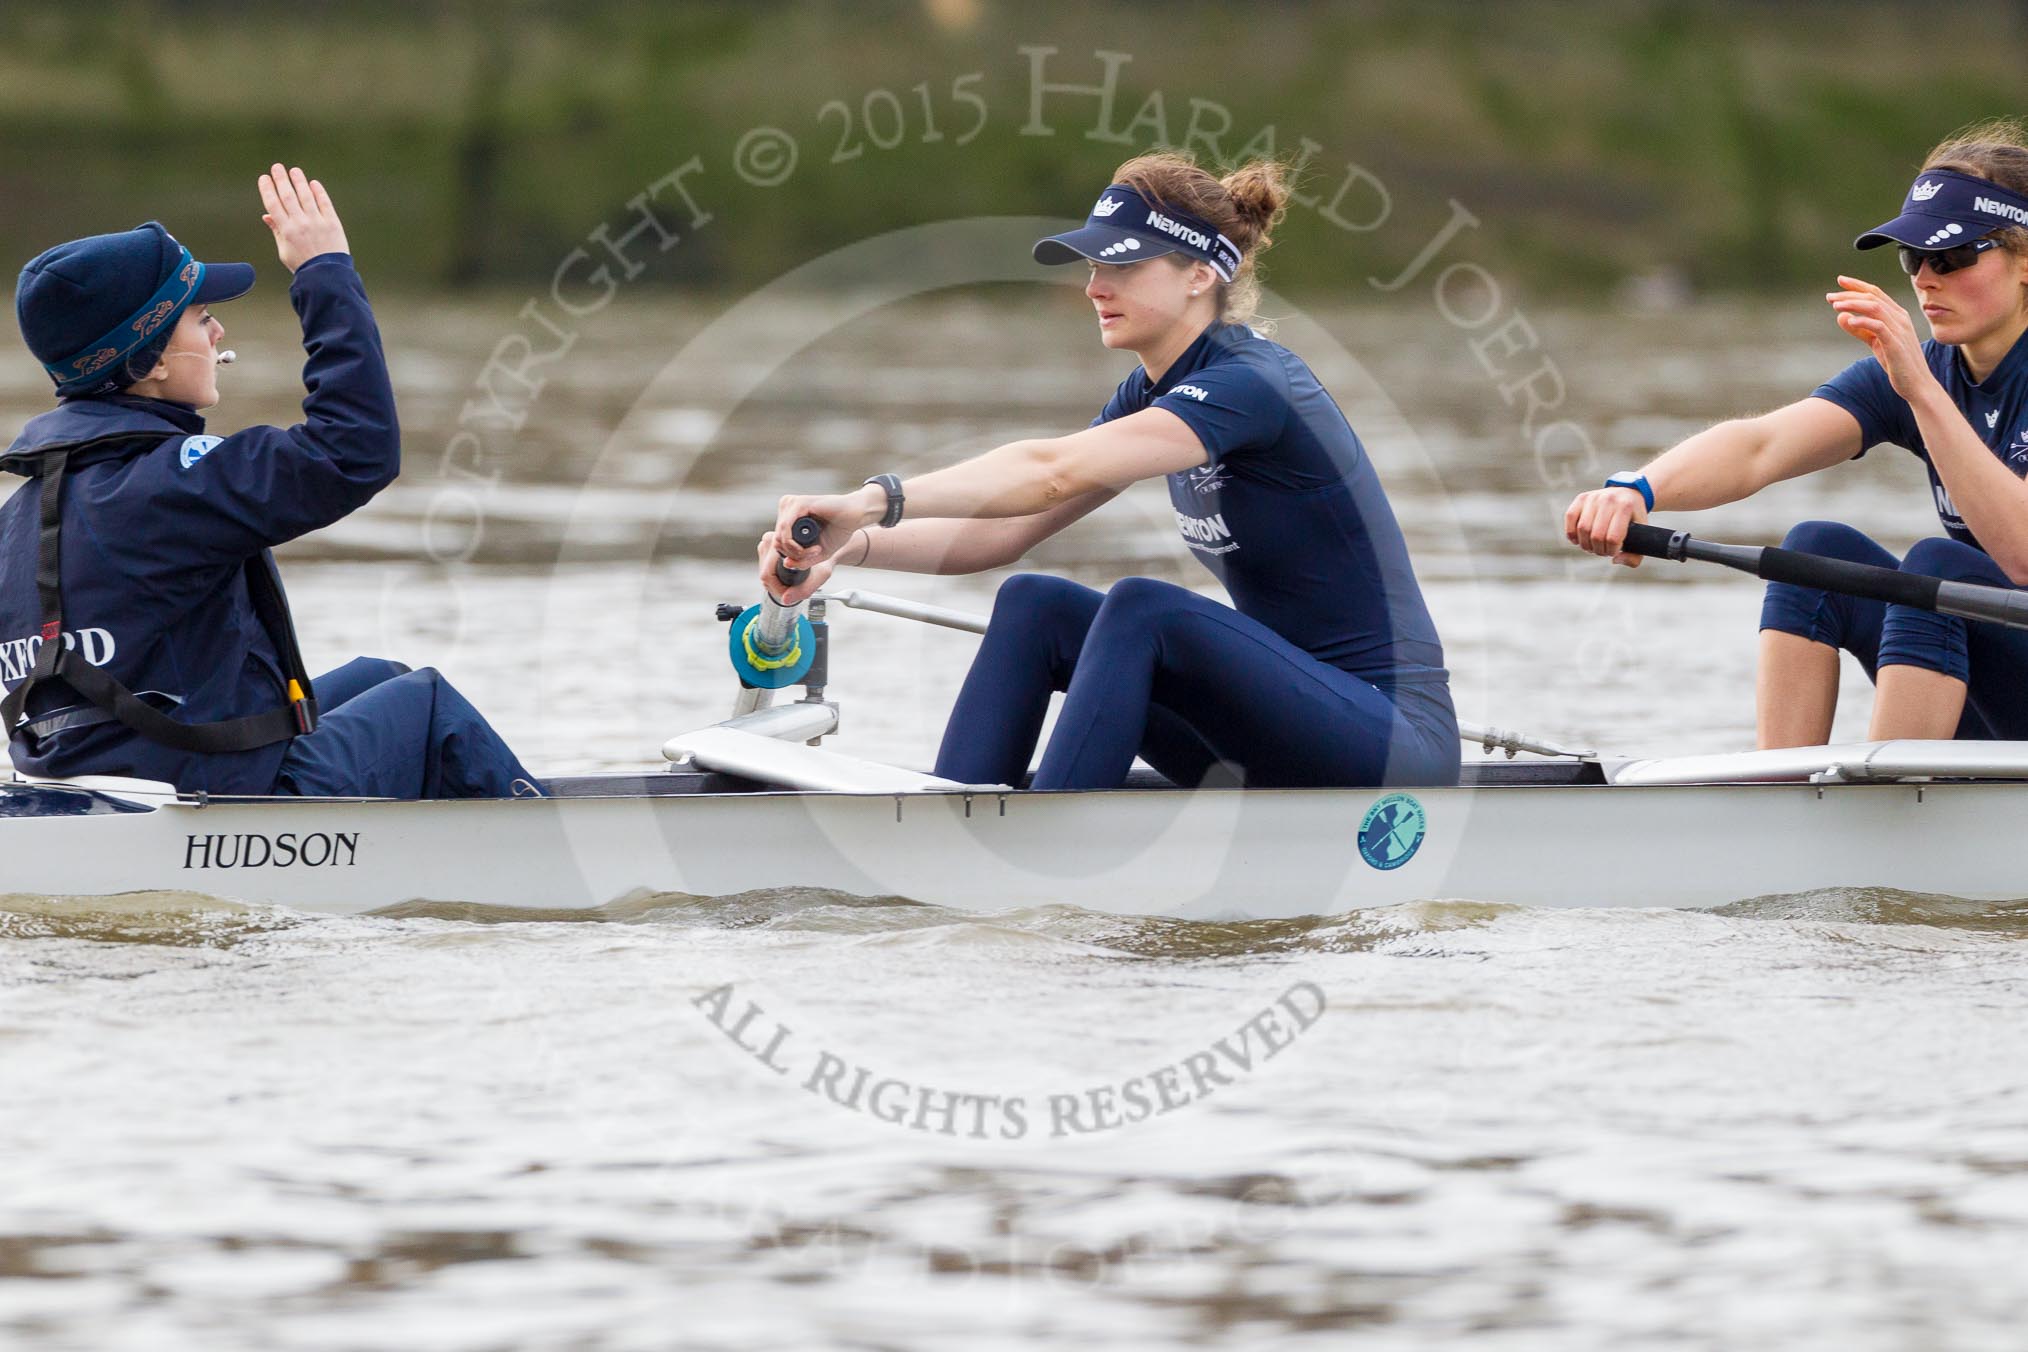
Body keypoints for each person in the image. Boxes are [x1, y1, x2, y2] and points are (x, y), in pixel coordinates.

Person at [760, 152, 1459, 790]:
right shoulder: (1151, 391)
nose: (1095, 287)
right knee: (1035, 604)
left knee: (1145, 609)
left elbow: (1052, 471)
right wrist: (845, 545)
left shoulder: (1255, 385)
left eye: (1123, 266)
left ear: (1199, 274)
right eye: (1092, 267)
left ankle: (1042, 850)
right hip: (1276, 727)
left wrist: (874, 498)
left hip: (1389, 738)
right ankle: (958, 825)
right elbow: (997, 536)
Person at [1, 164, 540, 799]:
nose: (219, 330)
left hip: (85, 786)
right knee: (427, 709)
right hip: (208, 789)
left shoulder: (21, 510)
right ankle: (558, 875)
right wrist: (325, 270)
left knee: (380, 678)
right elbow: (355, 450)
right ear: (147, 361)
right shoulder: (170, 484)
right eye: (201, 317)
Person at [1566, 120, 2028, 749]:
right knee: (1814, 552)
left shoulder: (1919, 379)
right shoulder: (1921, 373)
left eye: (1951, 256)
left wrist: (1920, 390)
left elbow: (2022, 554)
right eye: (1914, 256)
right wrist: (1638, 491)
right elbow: (1760, 447)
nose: (1924, 278)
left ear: (2024, 259)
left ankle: (1892, 808)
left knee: (1938, 568)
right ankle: (1780, 797)